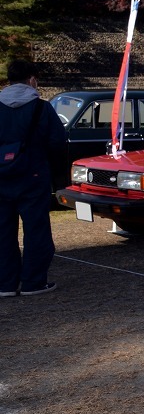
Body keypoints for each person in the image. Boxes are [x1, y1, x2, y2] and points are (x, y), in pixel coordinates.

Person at [1, 59, 69, 297]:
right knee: (36, 230)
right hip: (33, 175)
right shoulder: (42, 108)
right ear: (32, 79)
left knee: (3, 231)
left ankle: (5, 283)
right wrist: (57, 174)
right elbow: (58, 143)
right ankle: (33, 281)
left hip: (1, 177)